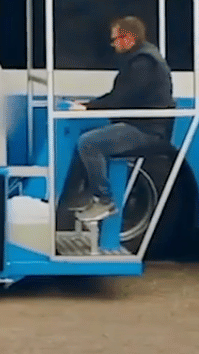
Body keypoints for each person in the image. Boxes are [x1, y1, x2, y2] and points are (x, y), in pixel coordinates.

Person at [64, 15, 175, 223]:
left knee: (89, 143)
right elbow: (121, 96)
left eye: (115, 39)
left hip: (147, 131)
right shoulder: (140, 59)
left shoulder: (143, 63)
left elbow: (121, 98)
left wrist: (88, 106)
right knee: (84, 134)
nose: (112, 44)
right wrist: (87, 106)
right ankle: (79, 194)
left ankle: (104, 199)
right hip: (141, 125)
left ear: (128, 38)